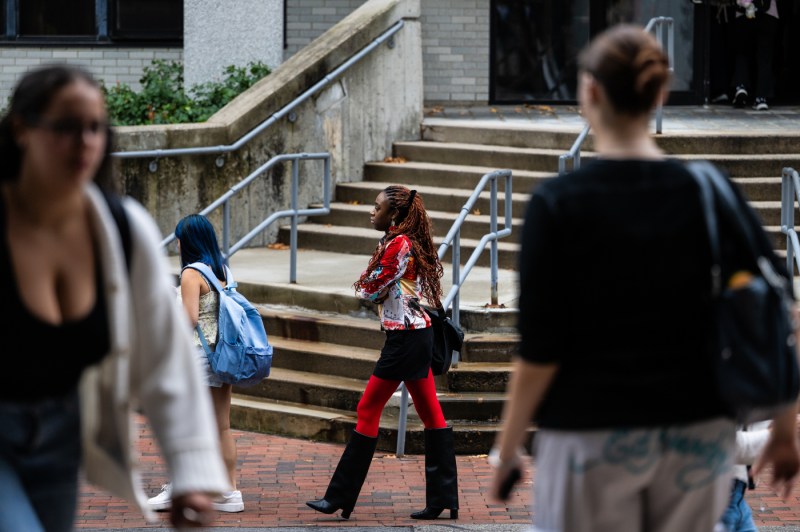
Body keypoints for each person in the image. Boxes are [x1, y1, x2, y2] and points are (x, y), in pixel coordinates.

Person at [488, 24, 800, 532]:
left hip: (589, 433)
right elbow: (779, 305)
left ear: (590, 92)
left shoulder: (557, 204)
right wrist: (784, 429)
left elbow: (540, 350)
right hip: (696, 435)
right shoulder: (709, 191)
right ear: (660, 94)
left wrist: (508, 449)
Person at [0, 63, 231, 531]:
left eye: (95, 127)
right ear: (22, 129)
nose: (85, 141)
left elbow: (165, 353)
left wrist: (190, 474)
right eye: (66, 126)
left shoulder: (122, 228)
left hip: (60, 439)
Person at [305, 185, 459, 520]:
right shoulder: (395, 242)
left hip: (406, 339)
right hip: (413, 335)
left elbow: (369, 287)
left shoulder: (399, 244)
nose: (371, 212)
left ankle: (339, 497)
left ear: (395, 214)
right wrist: (375, 285)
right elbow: (374, 286)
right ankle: (444, 499)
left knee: (368, 407)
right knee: (431, 413)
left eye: (377, 208)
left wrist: (372, 285)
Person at [147, 214, 244, 513]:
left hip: (199, 357)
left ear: (187, 241)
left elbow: (189, 319)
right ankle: (230, 492)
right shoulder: (222, 270)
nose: (177, 244)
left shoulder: (191, 273)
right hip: (223, 355)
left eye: (179, 239)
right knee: (222, 427)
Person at [730, 0, 780, 110]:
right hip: (768, 12)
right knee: (765, 57)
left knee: (742, 51)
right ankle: (761, 98)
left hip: (743, 11)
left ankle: (741, 85)